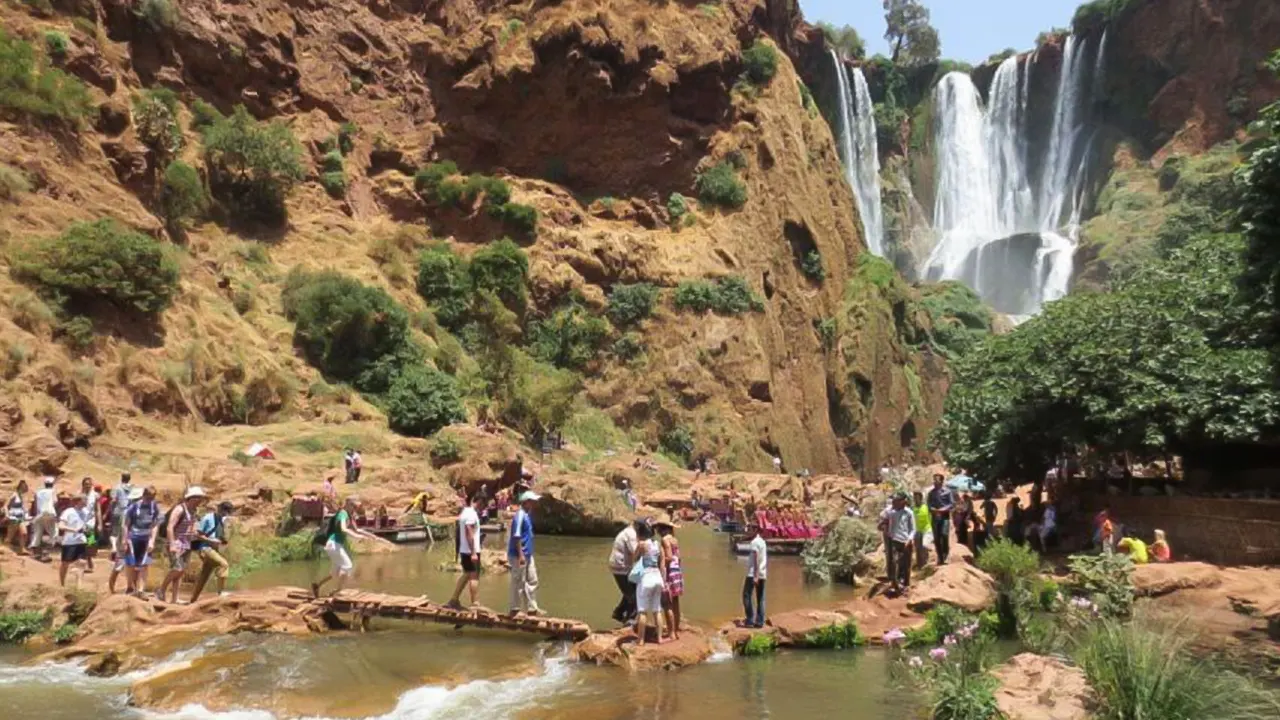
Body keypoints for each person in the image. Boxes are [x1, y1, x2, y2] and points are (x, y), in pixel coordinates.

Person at [312, 496, 390, 598]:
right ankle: (337, 591)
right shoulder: (343, 514)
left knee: (335, 572)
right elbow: (344, 529)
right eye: (354, 506)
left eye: (356, 506)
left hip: (335, 545)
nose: (355, 508)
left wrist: (373, 536)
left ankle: (317, 585)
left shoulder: (350, 515)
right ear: (348, 504)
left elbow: (358, 530)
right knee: (347, 566)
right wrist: (356, 536)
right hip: (333, 544)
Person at [156, 487, 206, 603]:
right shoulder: (179, 509)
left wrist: (199, 536)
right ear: (192, 498)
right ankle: (161, 590)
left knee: (181, 571)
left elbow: (191, 527)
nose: (200, 500)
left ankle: (175, 598)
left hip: (186, 543)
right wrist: (172, 544)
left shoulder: (193, 511)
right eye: (199, 498)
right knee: (177, 568)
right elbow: (170, 527)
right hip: (176, 543)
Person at [189, 501, 234, 602]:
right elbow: (198, 534)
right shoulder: (208, 518)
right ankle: (220, 592)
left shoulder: (221, 520)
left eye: (227, 514)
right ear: (220, 509)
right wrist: (210, 540)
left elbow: (221, 537)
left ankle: (193, 600)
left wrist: (222, 541)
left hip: (213, 549)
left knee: (204, 576)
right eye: (224, 512)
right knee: (224, 565)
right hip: (206, 548)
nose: (225, 515)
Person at [447, 492, 484, 610]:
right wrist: (473, 552)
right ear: (480, 502)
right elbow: (469, 533)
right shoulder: (471, 514)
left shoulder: (465, 512)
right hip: (470, 551)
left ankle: (453, 599)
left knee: (467, 574)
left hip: (465, 550)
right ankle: (475, 604)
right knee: (474, 577)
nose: (483, 509)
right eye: (484, 505)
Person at [508, 491, 542, 616]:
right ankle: (515, 609)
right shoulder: (520, 515)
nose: (534, 503)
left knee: (532, 580)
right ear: (526, 502)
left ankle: (532, 608)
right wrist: (521, 555)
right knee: (518, 582)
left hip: (528, 554)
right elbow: (516, 536)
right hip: (519, 555)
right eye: (532, 501)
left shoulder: (527, 515)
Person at [633, 521, 667, 644]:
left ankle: (640, 640)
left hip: (646, 578)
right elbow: (662, 566)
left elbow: (634, 558)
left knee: (642, 611)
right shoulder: (658, 545)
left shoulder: (642, 544)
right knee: (657, 610)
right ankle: (659, 638)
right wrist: (664, 581)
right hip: (657, 577)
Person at [123, 486, 161, 596]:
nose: (150, 500)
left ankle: (140, 590)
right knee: (131, 564)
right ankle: (130, 587)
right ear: (143, 495)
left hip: (146, 538)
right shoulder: (134, 507)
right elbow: (126, 524)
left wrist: (152, 540)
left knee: (145, 564)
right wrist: (125, 540)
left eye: (152, 498)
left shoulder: (154, 507)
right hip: (133, 537)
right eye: (148, 497)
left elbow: (155, 525)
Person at [879, 492, 916, 596]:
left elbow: (913, 529)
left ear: (903, 502)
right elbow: (885, 525)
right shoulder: (891, 513)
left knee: (906, 564)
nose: (893, 503)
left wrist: (909, 540)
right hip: (894, 541)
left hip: (905, 541)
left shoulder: (909, 513)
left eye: (896, 501)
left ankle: (905, 585)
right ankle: (896, 583)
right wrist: (886, 531)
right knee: (894, 562)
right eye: (893, 501)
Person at [609, 520, 642, 624]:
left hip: (622, 566)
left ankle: (619, 612)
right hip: (621, 567)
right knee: (635, 595)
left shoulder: (628, 532)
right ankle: (629, 621)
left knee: (632, 590)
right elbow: (635, 551)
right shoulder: (631, 534)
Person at [655, 516, 683, 641]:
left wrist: (660, 564)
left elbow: (669, 557)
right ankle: (676, 630)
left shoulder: (664, 540)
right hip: (677, 571)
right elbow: (679, 557)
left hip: (669, 572)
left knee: (667, 603)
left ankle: (671, 633)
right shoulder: (674, 539)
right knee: (676, 602)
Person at [107, 473, 133, 592]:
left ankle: (114, 548)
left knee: (116, 532)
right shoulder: (133, 488)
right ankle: (130, 587)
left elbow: (113, 500)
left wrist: (109, 512)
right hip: (129, 514)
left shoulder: (117, 488)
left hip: (119, 512)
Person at [57, 495, 90, 586]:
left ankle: (79, 585)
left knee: (82, 563)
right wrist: (73, 530)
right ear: (78, 501)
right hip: (69, 542)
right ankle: (62, 583)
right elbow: (61, 526)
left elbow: (86, 525)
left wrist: (89, 537)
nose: (86, 501)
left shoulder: (85, 512)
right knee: (65, 563)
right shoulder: (68, 512)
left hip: (81, 540)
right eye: (84, 499)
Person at [742, 528, 768, 628]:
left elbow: (756, 558)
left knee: (746, 595)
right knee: (760, 597)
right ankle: (760, 621)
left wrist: (755, 575)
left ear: (755, 531)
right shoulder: (762, 542)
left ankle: (750, 619)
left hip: (753, 574)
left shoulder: (754, 542)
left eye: (749, 530)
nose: (747, 532)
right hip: (762, 573)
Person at [927, 474, 954, 565]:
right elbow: (929, 505)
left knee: (944, 535)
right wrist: (932, 509)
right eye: (934, 480)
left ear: (941, 481)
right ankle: (940, 557)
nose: (934, 482)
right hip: (935, 518)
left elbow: (951, 504)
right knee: (937, 538)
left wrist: (943, 510)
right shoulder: (931, 493)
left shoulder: (948, 492)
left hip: (945, 517)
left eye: (936, 480)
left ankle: (946, 555)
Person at [81, 477, 100, 573]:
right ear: (83, 485)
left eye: (89, 483)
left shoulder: (95, 495)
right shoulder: (80, 495)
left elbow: (98, 510)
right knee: (82, 543)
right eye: (86, 484)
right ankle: (85, 564)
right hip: (80, 523)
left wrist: (100, 523)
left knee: (90, 543)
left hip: (90, 523)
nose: (87, 485)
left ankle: (89, 561)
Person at [5, 480, 29, 553]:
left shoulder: (20, 496)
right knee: (9, 537)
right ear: (21, 487)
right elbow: (6, 505)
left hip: (20, 518)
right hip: (13, 518)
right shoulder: (14, 495)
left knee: (24, 533)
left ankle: (22, 549)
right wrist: (7, 515)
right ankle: (4, 547)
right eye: (25, 487)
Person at [912, 490, 931, 568]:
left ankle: (925, 563)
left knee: (924, 545)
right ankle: (919, 565)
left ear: (921, 498)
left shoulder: (926, 507)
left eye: (917, 498)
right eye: (914, 498)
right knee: (918, 548)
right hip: (917, 530)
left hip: (926, 529)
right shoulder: (913, 509)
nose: (916, 499)